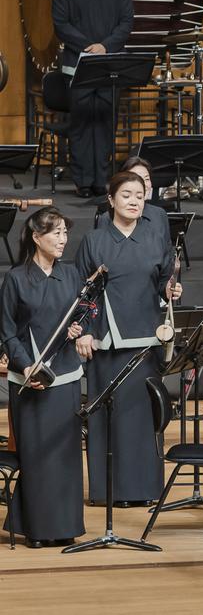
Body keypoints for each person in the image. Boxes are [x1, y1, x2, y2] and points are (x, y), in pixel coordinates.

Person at [75, 171, 180, 507]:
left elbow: (165, 281)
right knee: (108, 417)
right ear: (111, 200)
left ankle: (145, 490)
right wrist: (86, 331)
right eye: (126, 195)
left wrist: (172, 289)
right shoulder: (94, 240)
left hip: (146, 340)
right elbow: (82, 293)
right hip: (106, 340)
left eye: (139, 195)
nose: (134, 201)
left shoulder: (156, 237)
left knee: (142, 417)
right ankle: (109, 492)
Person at [1, 208, 88, 547]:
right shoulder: (16, 278)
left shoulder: (72, 275)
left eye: (65, 232)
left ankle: (66, 527)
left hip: (65, 376)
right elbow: (7, 332)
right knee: (37, 456)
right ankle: (37, 530)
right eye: (55, 233)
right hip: (28, 378)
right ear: (37, 237)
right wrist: (25, 367)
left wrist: (81, 329)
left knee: (65, 455)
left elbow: (84, 314)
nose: (63, 239)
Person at [51, 0, 134, 198]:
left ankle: (103, 180)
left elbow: (126, 23)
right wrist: (89, 47)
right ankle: (82, 181)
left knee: (105, 123)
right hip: (77, 65)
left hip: (110, 66)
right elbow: (61, 24)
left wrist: (105, 46)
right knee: (82, 123)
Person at [94, 155, 171, 247]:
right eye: (136, 178)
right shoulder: (107, 218)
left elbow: (166, 250)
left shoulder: (159, 214)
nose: (143, 184)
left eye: (146, 179)